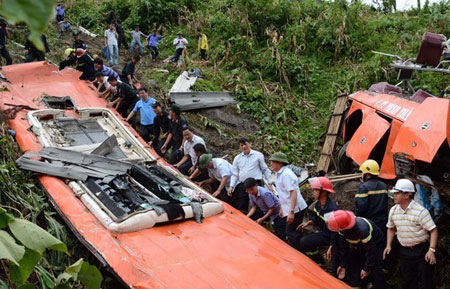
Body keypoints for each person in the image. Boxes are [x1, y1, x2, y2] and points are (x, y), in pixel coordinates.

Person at [383, 179, 438, 289]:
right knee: (408, 281)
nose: (394, 196)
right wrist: (388, 245)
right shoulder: (394, 210)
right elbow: (391, 228)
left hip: (421, 251)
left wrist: (431, 249)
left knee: (426, 280)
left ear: (407, 195)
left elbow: (433, 230)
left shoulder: (420, 212)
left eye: (397, 193)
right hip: (404, 251)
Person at [327, 210, 386, 289]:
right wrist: (342, 265)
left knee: (376, 270)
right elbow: (343, 248)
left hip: (376, 244)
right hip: (359, 246)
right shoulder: (342, 230)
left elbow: (371, 250)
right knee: (354, 265)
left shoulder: (362, 230)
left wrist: (366, 268)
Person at [296, 177, 340, 272]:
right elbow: (317, 218)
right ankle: (317, 259)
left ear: (323, 192)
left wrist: (331, 246)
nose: (313, 192)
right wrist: (309, 222)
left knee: (335, 263)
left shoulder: (332, 209)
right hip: (325, 233)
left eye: (315, 190)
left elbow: (335, 230)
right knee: (304, 241)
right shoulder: (318, 205)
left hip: (335, 237)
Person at [269, 152, 307, 249]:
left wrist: (291, 211)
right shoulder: (279, 174)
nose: (271, 164)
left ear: (279, 163)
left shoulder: (286, 174)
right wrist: (282, 208)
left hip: (296, 208)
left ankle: (301, 253)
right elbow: (283, 194)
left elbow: (293, 192)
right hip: (289, 207)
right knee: (292, 232)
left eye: (273, 162)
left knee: (291, 233)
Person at [228, 137, 272, 213]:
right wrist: (231, 186)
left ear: (250, 144)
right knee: (242, 204)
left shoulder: (258, 155)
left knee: (260, 203)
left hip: (256, 183)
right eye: (241, 145)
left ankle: (259, 220)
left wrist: (270, 183)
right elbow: (235, 174)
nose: (244, 147)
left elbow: (265, 169)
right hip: (243, 184)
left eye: (245, 144)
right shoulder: (237, 158)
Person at [355, 159, 389, 239]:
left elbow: (361, 208)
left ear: (367, 174)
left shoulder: (363, 188)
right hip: (383, 223)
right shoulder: (384, 186)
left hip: (369, 224)